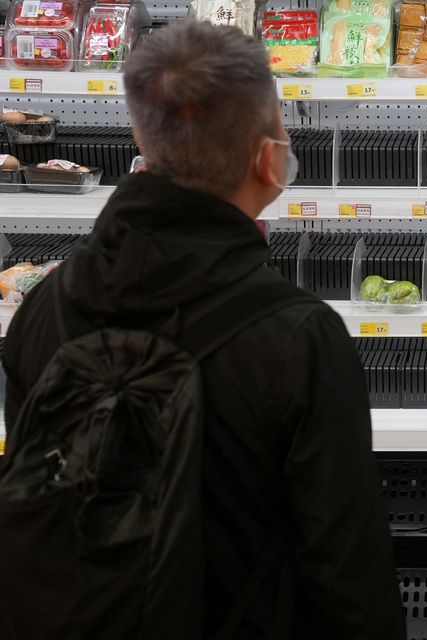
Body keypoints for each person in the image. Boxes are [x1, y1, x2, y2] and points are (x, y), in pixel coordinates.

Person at [0, 20, 406, 640]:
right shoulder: (299, 339)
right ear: (269, 160)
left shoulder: (43, 308)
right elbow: (347, 573)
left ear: (139, 138)